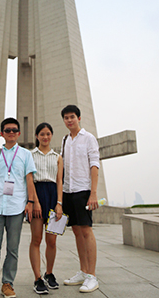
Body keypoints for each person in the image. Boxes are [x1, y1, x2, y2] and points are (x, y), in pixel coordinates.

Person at [0, 118, 38, 298]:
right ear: (2, 133)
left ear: (19, 133)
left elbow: (29, 179)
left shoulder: (25, 154)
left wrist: (30, 202)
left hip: (16, 207)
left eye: (14, 130)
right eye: (8, 130)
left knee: (12, 249)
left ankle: (8, 284)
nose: (11, 133)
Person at [59, 105, 101, 293]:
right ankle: (83, 271)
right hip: (68, 190)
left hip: (83, 190)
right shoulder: (65, 140)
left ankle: (92, 276)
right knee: (76, 230)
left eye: (72, 117)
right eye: (66, 118)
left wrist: (93, 193)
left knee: (86, 230)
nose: (69, 120)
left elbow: (94, 165)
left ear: (79, 118)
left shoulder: (89, 138)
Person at [27, 122, 64, 295]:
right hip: (37, 193)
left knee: (52, 241)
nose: (45, 137)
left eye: (48, 134)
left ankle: (49, 273)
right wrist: (34, 201)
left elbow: (59, 181)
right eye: (42, 134)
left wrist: (59, 203)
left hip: (52, 195)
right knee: (36, 239)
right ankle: (37, 278)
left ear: (51, 135)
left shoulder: (57, 157)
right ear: (37, 136)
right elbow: (29, 179)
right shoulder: (30, 155)